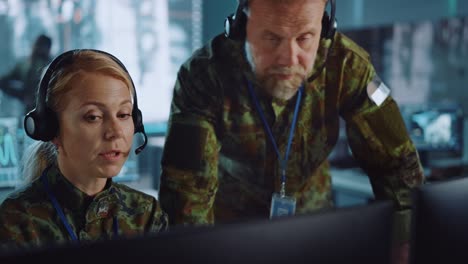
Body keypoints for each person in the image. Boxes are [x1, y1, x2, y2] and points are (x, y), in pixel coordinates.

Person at [159, 0, 424, 263]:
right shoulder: (203, 77)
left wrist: (404, 241)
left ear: (325, 27)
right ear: (242, 25)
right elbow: (186, 195)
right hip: (232, 240)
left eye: (305, 38)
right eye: (272, 38)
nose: (289, 58)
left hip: (316, 237)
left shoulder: (347, 66)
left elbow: (397, 165)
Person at [0, 49, 168, 250]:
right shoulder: (16, 221)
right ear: (51, 129)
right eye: (93, 117)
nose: (115, 132)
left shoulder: (147, 215)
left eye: (123, 114)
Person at [0, 34, 52, 115]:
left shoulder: (52, 65)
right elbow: (2, 82)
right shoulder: (25, 66)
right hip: (32, 111)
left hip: (47, 111)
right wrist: (22, 95)